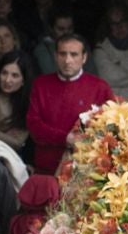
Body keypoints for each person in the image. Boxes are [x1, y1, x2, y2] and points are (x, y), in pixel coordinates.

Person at [22, 35, 115, 175]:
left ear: (84, 58)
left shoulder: (100, 87)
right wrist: (65, 138)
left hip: (87, 171)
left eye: (74, 54)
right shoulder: (41, 85)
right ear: (55, 56)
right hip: (47, 169)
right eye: (63, 54)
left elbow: (112, 128)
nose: (67, 60)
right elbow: (34, 125)